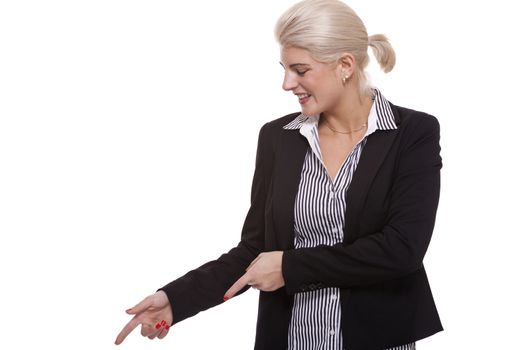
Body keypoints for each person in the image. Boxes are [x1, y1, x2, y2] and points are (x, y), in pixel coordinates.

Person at [114, 0, 443, 348]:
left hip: (378, 339)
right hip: (289, 338)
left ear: (345, 65)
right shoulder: (278, 137)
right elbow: (256, 249)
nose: (287, 83)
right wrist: (176, 300)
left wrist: (290, 267)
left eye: (300, 70)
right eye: (285, 69)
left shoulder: (412, 133)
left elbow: (402, 249)